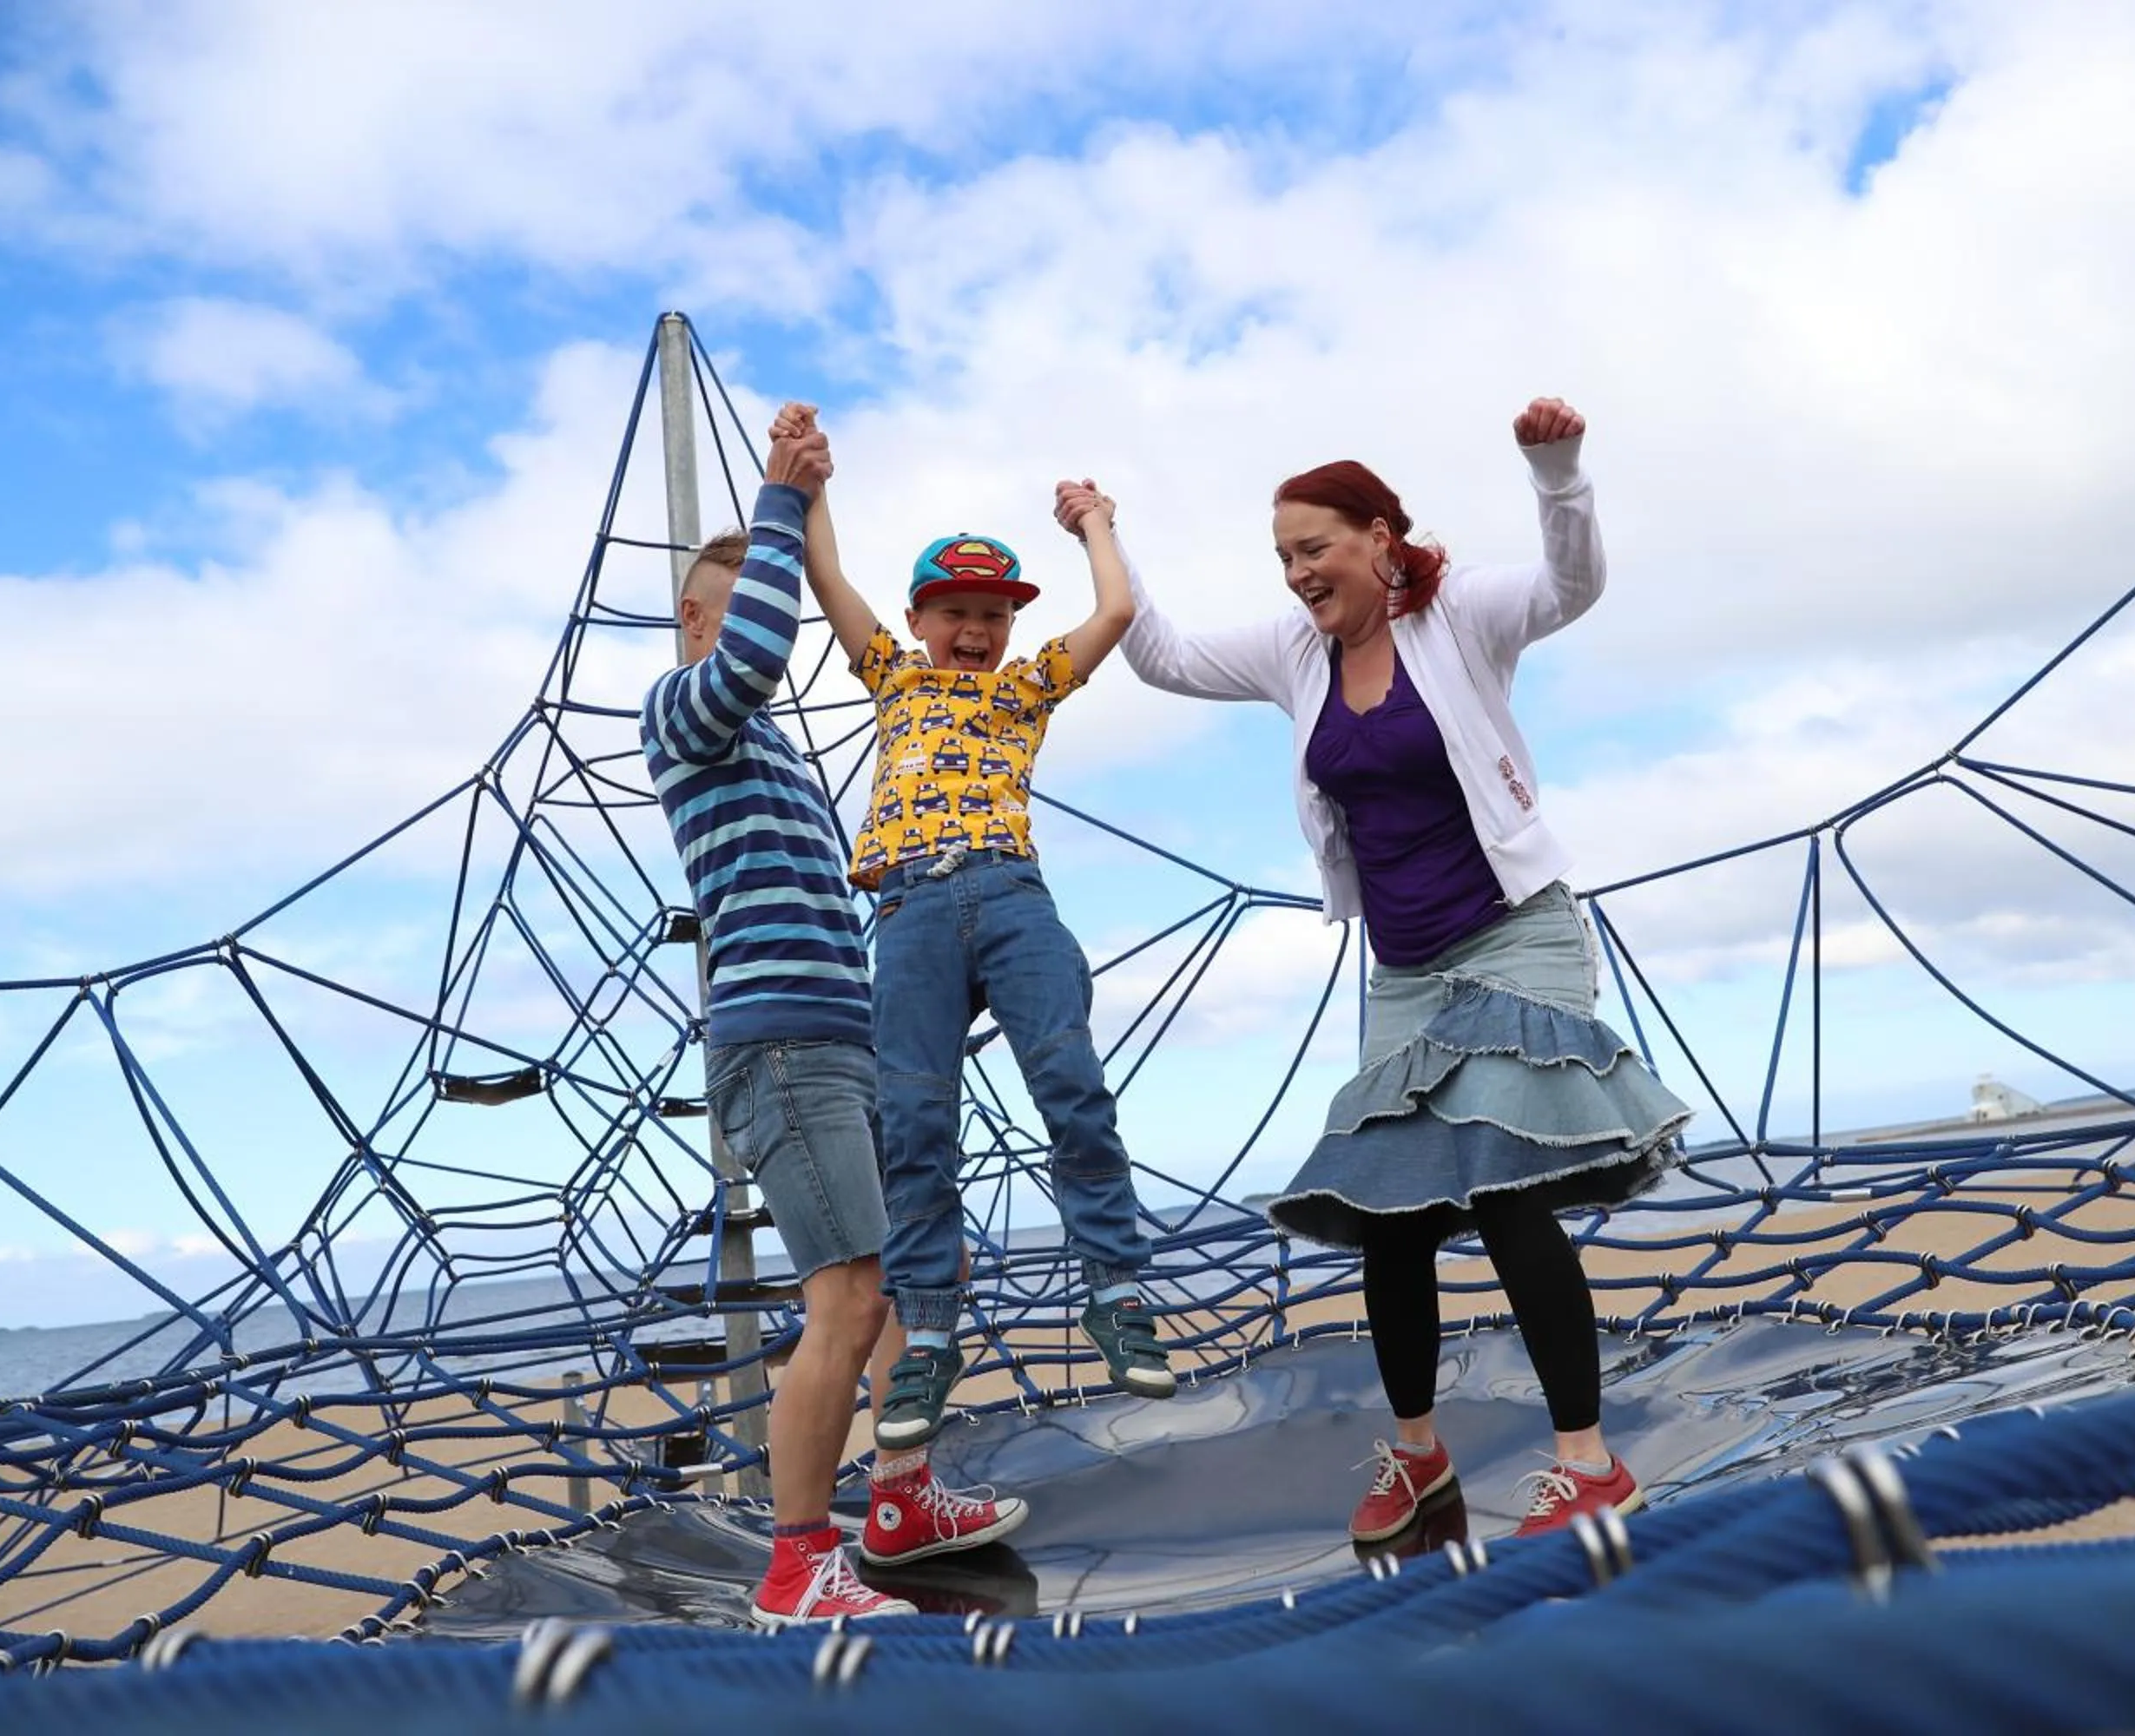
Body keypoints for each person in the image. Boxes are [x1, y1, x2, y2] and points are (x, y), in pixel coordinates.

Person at [1060, 397, 1692, 1543]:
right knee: (1389, 1214)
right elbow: (1160, 656)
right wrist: (1102, 529)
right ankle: (1418, 1462)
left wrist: (1559, 474)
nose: (1298, 571)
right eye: (1284, 556)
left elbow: (1572, 586)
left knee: (1503, 1188)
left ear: (1378, 541)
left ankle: (1589, 1466)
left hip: (1516, 936)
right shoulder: (1296, 652)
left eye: (1315, 547)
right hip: (1401, 973)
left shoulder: (1459, 616)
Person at [642, 411, 1025, 1629]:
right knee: (847, 1296)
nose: (762, 617)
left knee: (922, 1270)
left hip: (845, 1038)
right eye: (738, 598)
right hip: (781, 1046)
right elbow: (759, 645)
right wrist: (780, 507)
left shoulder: (773, 757)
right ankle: (798, 1560)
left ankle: (902, 1495)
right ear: (701, 620)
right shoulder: (686, 712)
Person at [775, 403, 1178, 1453]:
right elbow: (829, 582)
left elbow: (1119, 611)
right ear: (918, 620)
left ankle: (1115, 1288)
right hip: (907, 910)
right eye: (954, 610)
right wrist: (813, 486)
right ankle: (930, 1338)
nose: (975, 630)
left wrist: (1094, 521)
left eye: (992, 615)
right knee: (914, 1126)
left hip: (1008, 895)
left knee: (1072, 1084)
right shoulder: (894, 678)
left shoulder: (1026, 691)